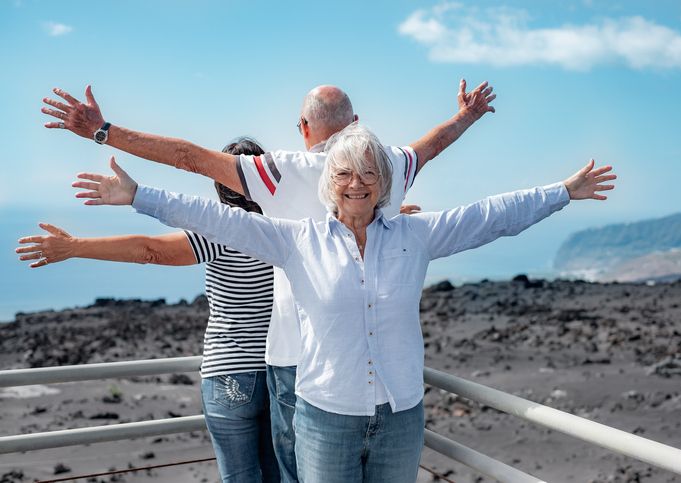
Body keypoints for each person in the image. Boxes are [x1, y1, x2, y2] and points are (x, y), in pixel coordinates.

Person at [67, 122, 616, 482]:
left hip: (401, 417)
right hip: (325, 418)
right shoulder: (297, 239)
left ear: (384, 184)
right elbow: (215, 217)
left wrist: (563, 192)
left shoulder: (414, 235)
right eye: (346, 173)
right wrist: (137, 196)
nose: (358, 183)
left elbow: (491, 216)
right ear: (331, 182)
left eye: (370, 173)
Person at [41, 80, 495, 482]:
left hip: (289, 361)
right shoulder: (386, 168)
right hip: (380, 376)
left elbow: (188, 159)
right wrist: (467, 116)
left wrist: (104, 133)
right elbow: (432, 147)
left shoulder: (276, 176)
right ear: (356, 123)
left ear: (303, 127)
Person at [17, 138, 281, 482]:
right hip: (281, 374)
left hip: (229, 373)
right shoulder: (285, 230)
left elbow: (150, 251)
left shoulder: (222, 229)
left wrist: (74, 247)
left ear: (221, 183)